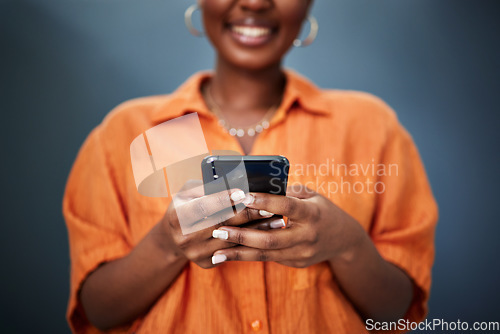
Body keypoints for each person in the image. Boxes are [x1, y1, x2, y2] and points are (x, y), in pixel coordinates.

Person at [63, 0, 438, 333]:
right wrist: (166, 245)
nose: (255, 3)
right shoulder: (126, 132)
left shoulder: (372, 127)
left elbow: (395, 312)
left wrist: (347, 245)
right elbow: (98, 311)